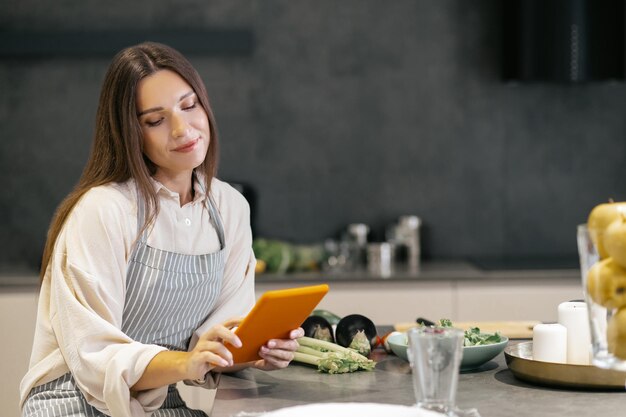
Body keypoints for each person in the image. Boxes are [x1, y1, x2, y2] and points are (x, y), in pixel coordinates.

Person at [20, 42, 303, 417]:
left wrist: (253, 353)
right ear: (129, 133)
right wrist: (186, 362)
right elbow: (94, 356)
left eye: (190, 106)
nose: (183, 129)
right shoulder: (104, 210)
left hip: (160, 405)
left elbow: (218, 339)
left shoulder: (230, 208)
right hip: (72, 402)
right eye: (156, 120)